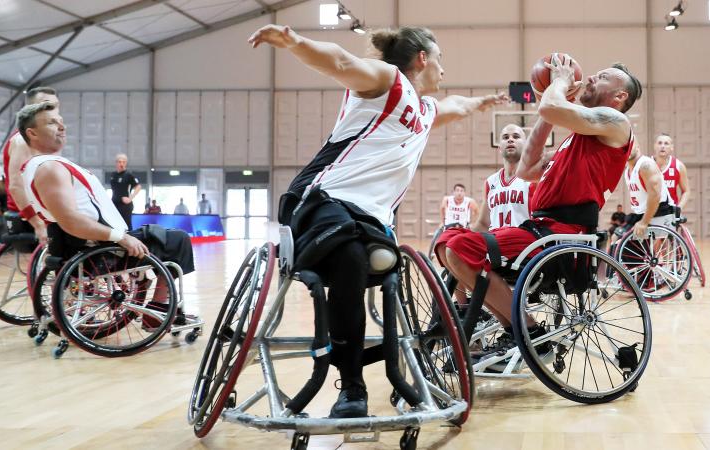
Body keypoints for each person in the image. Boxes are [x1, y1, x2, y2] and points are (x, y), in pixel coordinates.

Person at [250, 24, 508, 418]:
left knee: (386, 269)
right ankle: (351, 385)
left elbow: (456, 105)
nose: (444, 70)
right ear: (423, 59)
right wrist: (295, 43)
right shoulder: (388, 81)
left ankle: (399, 371)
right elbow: (339, 61)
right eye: (440, 61)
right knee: (351, 256)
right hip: (322, 198)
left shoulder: (423, 112)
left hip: (369, 219)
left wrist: (482, 102)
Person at [444, 55, 642, 352]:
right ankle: (515, 327)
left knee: (460, 249)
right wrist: (549, 113)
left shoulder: (617, 123)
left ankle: (528, 330)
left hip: (563, 234)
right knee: (448, 241)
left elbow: (551, 105)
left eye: (601, 77)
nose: (589, 78)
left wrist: (559, 84)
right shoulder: (574, 140)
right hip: (539, 229)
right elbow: (527, 168)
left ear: (619, 96)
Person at [16, 102, 196, 327]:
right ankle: (157, 310)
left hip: (92, 246)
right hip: (100, 251)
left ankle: (147, 296)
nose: (61, 127)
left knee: (159, 236)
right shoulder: (50, 168)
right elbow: (71, 220)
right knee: (178, 240)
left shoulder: (37, 166)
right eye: (52, 123)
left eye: (61, 122)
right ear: (32, 133)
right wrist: (120, 237)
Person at [434, 124, 534, 306]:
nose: (510, 139)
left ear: (526, 144)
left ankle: (496, 307)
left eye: (516, 136)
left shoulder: (532, 177)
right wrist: (463, 234)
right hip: (493, 243)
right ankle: (465, 308)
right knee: (444, 241)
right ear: (499, 148)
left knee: (459, 246)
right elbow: (483, 222)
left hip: (521, 246)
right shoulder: (491, 181)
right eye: (505, 137)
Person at [4, 87, 60, 244]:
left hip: (48, 207)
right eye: (47, 105)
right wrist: (38, 224)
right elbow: (16, 186)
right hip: (35, 212)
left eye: (56, 105)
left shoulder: (48, 139)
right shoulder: (23, 140)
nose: (54, 110)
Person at [615, 139, 675, 240]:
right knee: (615, 237)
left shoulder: (646, 166)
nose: (627, 149)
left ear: (638, 146)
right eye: (623, 147)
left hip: (659, 212)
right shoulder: (627, 171)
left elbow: (655, 196)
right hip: (641, 214)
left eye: (630, 145)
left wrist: (644, 222)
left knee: (621, 242)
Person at [653, 133, 691, 210]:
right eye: (660, 143)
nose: (662, 146)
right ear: (655, 146)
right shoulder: (646, 165)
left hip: (670, 213)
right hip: (649, 213)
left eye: (666, 143)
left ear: (671, 148)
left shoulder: (678, 166)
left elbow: (686, 191)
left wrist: (678, 208)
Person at [110, 153, 141, 229]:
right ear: (116, 163)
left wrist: (130, 198)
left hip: (125, 205)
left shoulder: (128, 175)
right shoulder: (113, 175)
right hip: (114, 204)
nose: (122, 164)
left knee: (126, 226)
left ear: (126, 163)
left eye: (124, 162)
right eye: (120, 162)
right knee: (114, 226)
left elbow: (138, 186)